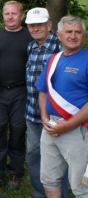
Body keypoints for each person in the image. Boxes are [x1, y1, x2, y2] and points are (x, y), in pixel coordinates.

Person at [36, 16, 88, 197]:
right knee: (49, 178)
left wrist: (68, 125)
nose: (73, 36)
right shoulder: (53, 60)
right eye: (69, 31)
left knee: (81, 185)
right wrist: (44, 117)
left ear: (83, 35)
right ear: (59, 35)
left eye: (78, 32)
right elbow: (43, 92)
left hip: (77, 130)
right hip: (50, 127)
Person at [0, 1, 32, 190]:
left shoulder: (30, 36)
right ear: (3, 15)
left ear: (22, 15)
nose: (10, 17)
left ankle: (15, 171)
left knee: (18, 132)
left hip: (21, 92)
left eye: (14, 13)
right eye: (6, 14)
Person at [24, 7, 69, 198]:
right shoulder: (31, 47)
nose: (35, 28)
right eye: (32, 25)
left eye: (40, 25)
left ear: (49, 25)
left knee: (58, 159)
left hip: (54, 115)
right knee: (34, 155)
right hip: (32, 113)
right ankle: (39, 194)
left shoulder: (60, 48)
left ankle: (61, 194)